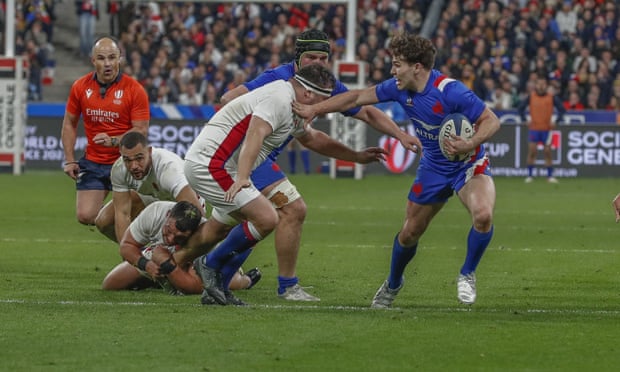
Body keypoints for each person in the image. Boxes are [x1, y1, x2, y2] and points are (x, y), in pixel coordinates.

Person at [292, 32, 500, 307]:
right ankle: (393, 283)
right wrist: (314, 110)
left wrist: (470, 142)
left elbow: (491, 120)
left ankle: (467, 273)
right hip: (433, 168)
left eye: (397, 64)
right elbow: (355, 98)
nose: (392, 70)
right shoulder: (397, 88)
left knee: (483, 215)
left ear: (416, 67)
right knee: (409, 233)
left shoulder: (451, 91)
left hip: (467, 164)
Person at [216, 29, 421, 301]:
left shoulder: (327, 85)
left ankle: (203, 271)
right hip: (246, 158)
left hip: (261, 161)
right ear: (298, 58)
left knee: (235, 223)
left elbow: (361, 114)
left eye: (323, 58)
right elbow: (228, 99)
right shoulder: (277, 78)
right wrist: (257, 126)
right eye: (311, 56)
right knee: (292, 208)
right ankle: (285, 285)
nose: (317, 62)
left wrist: (399, 136)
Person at [181, 64, 389, 306]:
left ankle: (215, 289)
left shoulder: (293, 104)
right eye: (322, 101)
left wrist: (355, 156)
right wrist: (243, 177)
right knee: (266, 218)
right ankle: (209, 264)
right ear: (308, 94)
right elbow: (255, 134)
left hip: (222, 165)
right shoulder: (279, 98)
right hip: (212, 165)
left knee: (250, 224)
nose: (322, 109)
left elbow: (312, 138)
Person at [97, 131, 261, 290]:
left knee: (195, 283)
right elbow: (122, 214)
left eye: (139, 158)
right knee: (104, 221)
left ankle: (236, 275)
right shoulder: (119, 170)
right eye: (127, 160)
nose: (133, 166)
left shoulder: (169, 169)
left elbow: (195, 214)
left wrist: (176, 258)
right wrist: (137, 260)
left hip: (186, 211)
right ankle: (156, 269)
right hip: (155, 204)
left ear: (149, 152)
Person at [61, 36, 150, 226]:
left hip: (126, 162)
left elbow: (141, 130)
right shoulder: (80, 87)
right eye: (101, 58)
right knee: (86, 216)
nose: (107, 63)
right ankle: (126, 232)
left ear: (120, 59)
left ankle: (133, 245)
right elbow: (69, 122)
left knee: (122, 217)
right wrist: (69, 159)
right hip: (94, 162)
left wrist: (114, 141)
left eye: (112, 57)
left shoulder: (135, 89)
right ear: (93, 61)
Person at [102, 200, 261, 293]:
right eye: (168, 231)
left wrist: (166, 263)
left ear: (192, 233)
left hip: (190, 260)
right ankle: (157, 280)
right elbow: (126, 246)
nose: (170, 239)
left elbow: (193, 286)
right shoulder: (154, 212)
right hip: (157, 255)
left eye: (179, 237)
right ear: (168, 215)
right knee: (110, 284)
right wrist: (147, 265)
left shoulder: (203, 239)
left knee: (226, 283)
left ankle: (246, 280)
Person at [517, 75, 566, 183]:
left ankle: (549, 176)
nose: (541, 86)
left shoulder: (551, 97)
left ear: (546, 85)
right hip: (534, 128)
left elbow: (562, 110)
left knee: (547, 152)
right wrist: (525, 119)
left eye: (543, 84)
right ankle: (530, 175)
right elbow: (520, 108)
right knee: (532, 151)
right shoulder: (531, 96)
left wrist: (556, 121)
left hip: (547, 129)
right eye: (539, 84)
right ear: (536, 85)